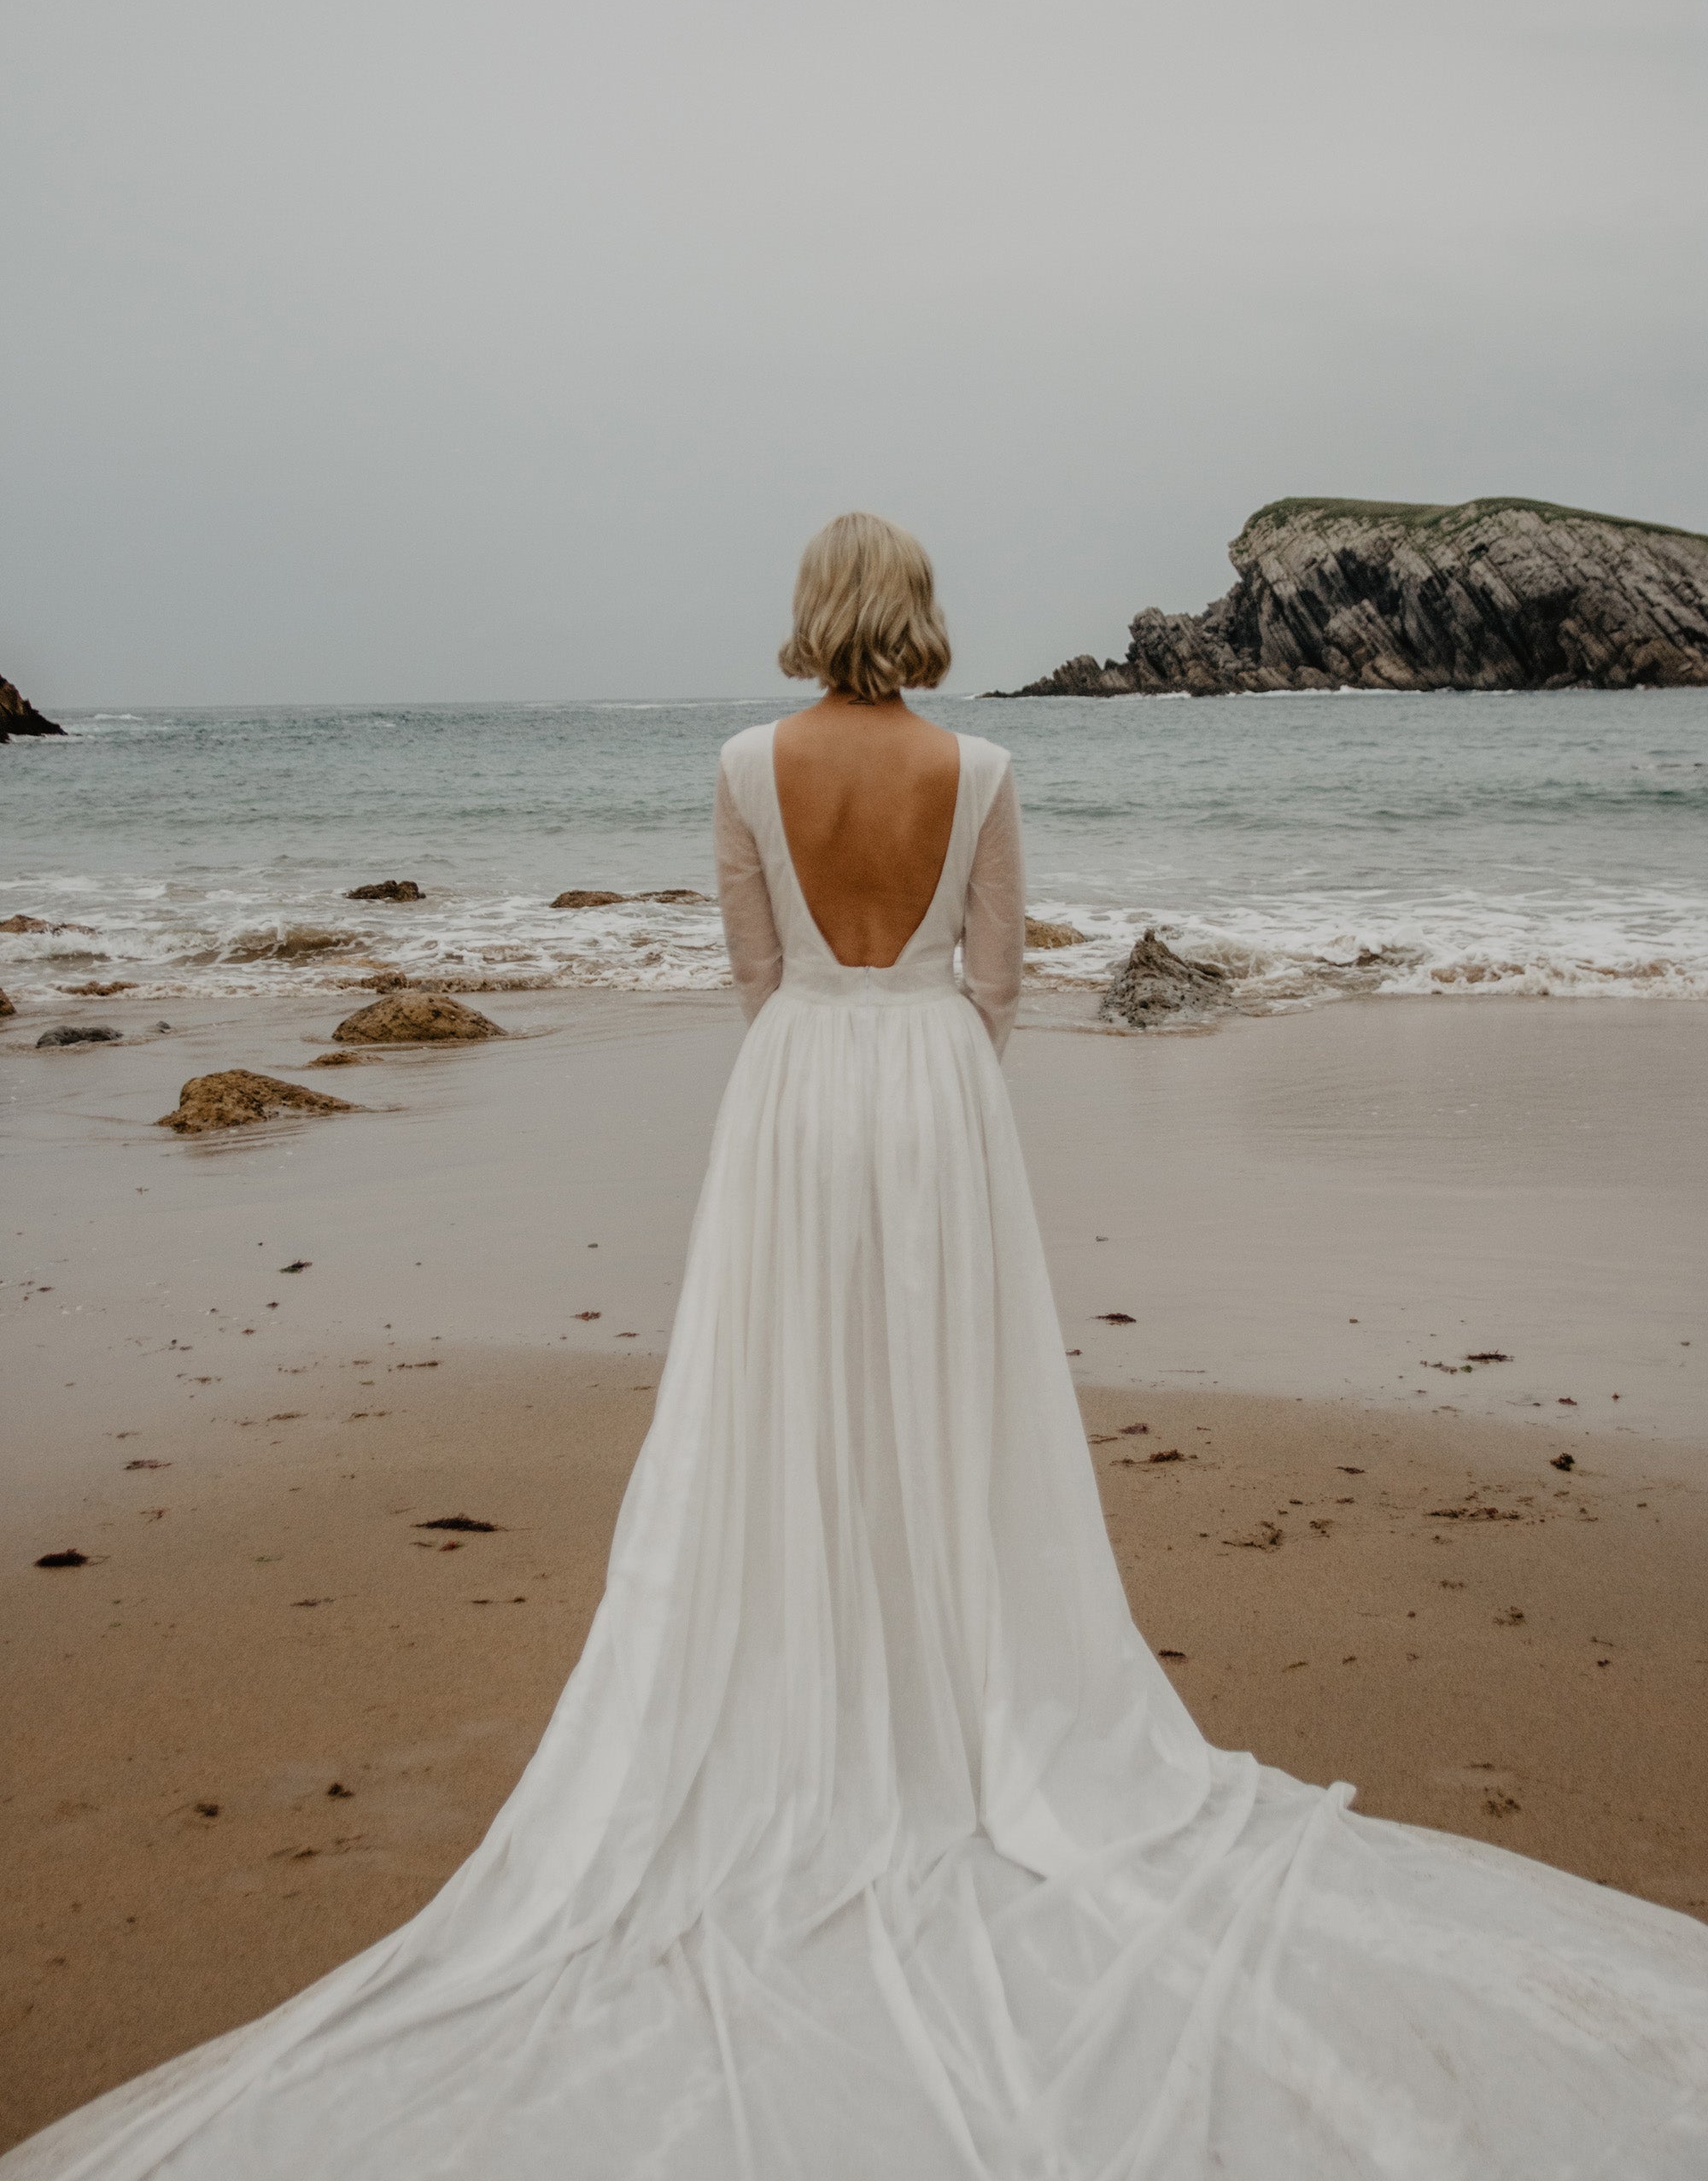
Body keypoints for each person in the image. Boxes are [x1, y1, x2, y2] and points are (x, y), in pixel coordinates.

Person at [9, 512, 1705, 2179]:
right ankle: (957, 1666)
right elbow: (998, 978)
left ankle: (819, 1653)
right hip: (936, 1094)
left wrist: (827, 1048)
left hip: (800, 1090)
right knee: (950, 1390)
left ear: (812, 609)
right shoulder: (978, 773)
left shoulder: (746, 763)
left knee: (782, 1390)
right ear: (920, 614)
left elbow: (751, 970)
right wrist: (926, 1070)